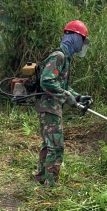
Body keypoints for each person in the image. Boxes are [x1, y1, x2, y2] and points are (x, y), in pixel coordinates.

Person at [34, 20, 92, 187]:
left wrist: (78, 97)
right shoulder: (58, 56)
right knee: (56, 146)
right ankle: (51, 184)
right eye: (82, 40)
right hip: (49, 107)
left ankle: (42, 177)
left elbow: (62, 85)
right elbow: (46, 80)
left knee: (49, 144)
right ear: (75, 37)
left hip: (51, 106)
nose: (82, 45)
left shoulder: (65, 57)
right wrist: (67, 97)